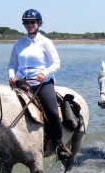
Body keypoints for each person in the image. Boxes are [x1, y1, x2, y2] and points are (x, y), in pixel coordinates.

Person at [8, 9, 71, 159]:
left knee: (53, 112)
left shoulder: (46, 42)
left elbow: (56, 63)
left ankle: (60, 143)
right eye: (26, 22)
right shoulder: (18, 44)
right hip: (22, 84)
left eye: (32, 22)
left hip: (42, 84)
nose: (29, 25)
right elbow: (12, 65)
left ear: (39, 23)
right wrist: (11, 76)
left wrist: (45, 74)